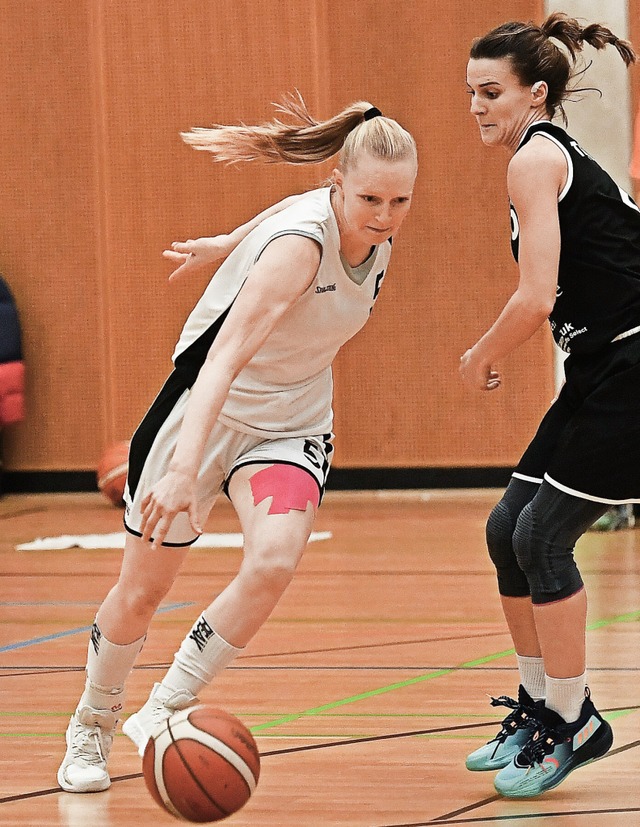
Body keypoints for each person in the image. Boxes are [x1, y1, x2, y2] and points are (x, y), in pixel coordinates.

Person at [57, 93, 418, 793]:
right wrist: (184, 470)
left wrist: (228, 243)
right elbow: (219, 362)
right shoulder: (297, 249)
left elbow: (290, 208)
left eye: (400, 201)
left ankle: (167, 703)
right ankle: (91, 724)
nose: (384, 215)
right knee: (141, 591)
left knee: (275, 559)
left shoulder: (373, 231)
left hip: (292, 424)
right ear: (337, 185)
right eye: (371, 197)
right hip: (203, 414)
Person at [461, 13, 638, 798]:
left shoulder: (535, 160)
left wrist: (481, 353)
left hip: (635, 360)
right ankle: (539, 703)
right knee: (507, 529)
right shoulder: (535, 160)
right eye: (470, 93)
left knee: (543, 536)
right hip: (602, 363)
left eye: (491, 91)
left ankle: (576, 719)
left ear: (536, 94)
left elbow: (535, 298)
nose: (477, 106)